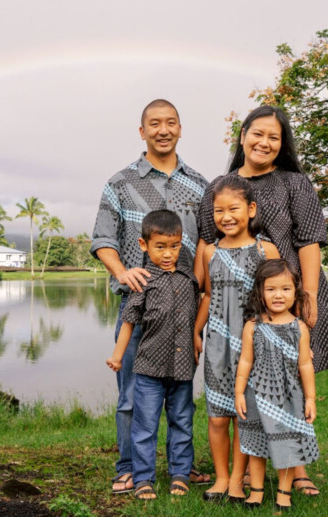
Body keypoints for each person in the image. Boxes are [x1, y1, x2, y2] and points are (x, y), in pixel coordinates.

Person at [197, 105, 328, 496]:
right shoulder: (219, 186)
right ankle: (250, 467)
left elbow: (309, 241)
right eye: (257, 133)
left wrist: (306, 297)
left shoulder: (295, 184)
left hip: (286, 297)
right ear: (242, 135)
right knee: (254, 385)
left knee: (290, 384)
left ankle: (296, 471)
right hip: (235, 308)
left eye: (274, 137)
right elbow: (205, 245)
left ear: (282, 145)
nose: (264, 142)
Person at [91, 99, 210, 494]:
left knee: (181, 398)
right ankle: (127, 467)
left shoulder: (200, 185)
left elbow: (209, 244)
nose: (163, 129)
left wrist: (197, 303)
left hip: (185, 311)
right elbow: (103, 240)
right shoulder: (120, 183)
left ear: (180, 128)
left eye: (170, 122)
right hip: (139, 307)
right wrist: (122, 272)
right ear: (142, 131)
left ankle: (183, 466)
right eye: (154, 123)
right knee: (131, 398)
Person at [193, 175, 278, 502]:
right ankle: (221, 477)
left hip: (252, 347)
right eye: (218, 211)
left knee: (245, 415)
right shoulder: (210, 252)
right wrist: (195, 331)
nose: (226, 217)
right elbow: (208, 296)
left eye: (234, 209)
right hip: (217, 344)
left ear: (251, 209)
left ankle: (238, 482)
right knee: (217, 418)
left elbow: (276, 297)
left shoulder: (265, 250)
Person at [106, 210, 200, 500]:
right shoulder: (141, 282)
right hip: (148, 369)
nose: (169, 253)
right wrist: (118, 356)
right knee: (145, 425)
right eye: (160, 247)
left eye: (174, 246)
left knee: (182, 421)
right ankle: (143, 477)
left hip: (182, 369)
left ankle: (181, 474)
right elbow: (129, 322)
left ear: (181, 243)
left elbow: (200, 308)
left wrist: (197, 336)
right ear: (144, 245)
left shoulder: (188, 280)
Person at [235, 259, 319, 510]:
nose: (278, 295)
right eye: (270, 289)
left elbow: (305, 365)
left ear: (295, 292)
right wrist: (239, 392)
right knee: (256, 445)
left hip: (289, 398)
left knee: (289, 445)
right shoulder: (253, 326)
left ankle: (284, 494)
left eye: (285, 289)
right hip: (257, 396)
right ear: (260, 292)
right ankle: (256, 492)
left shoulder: (299, 328)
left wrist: (311, 398)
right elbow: (245, 361)